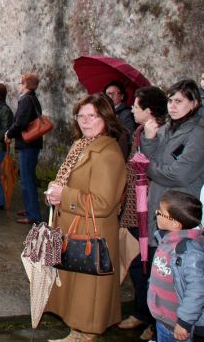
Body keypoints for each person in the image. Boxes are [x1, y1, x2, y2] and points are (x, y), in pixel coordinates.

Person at [44, 94, 127, 341]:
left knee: (88, 289)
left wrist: (65, 194)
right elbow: (68, 180)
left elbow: (103, 203)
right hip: (76, 224)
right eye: (81, 116)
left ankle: (86, 332)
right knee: (77, 285)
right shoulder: (82, 145)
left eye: (93, 116)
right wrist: (55, 191)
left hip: (93, 230)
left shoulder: (107, 153)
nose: (85, 121)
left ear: (106, 118)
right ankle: (78, 328)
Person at [118, 86, 168, 339]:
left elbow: (160, 171)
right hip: (134, 207)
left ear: (148, 110)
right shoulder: (138, 132)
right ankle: (140, 312)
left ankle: (154, 320)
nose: (132, 110)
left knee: (155, 266)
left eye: (136, 106)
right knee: (137, 264)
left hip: (154, 208)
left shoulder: (166, 135)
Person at [140, 80, 204, 256]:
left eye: (178, 101)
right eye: (170, 101)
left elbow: (179, 175)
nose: (172, 106)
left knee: (176, 270)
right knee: (157, 267)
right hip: (159, 207)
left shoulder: (198, 134)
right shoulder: (166, 128)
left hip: (180, 211)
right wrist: (149, 139)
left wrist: (147, 167)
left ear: (194, 103)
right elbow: (148, 157)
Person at [148, 190, 204, 342]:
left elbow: (197, 290)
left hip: (178, 326)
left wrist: (184, 322)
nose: (156, 212)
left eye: (160, 212)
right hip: (163, 319)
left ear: (175, 224)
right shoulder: (165, 240)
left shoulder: (189, 252)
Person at [6, 73, 45, 224]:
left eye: (20, 83)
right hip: (32, 144)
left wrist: (9, 133)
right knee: (28, 178)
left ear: (26, 85)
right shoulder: (32, 98)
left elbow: (21, 122)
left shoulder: (27, 100)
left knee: (27, 180)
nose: (19, 86)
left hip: (28, 144)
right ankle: (30, 208)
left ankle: (33, 214)